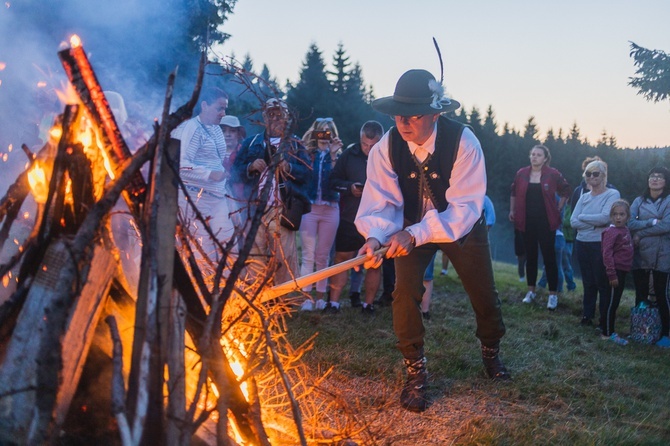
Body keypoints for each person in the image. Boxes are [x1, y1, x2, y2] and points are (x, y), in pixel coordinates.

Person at [355, 69, 510, 413]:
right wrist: (376, 236)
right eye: (398, 114)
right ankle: (416, 373)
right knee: (404, 291)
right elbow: (380, 199)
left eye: (413, 115)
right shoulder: (386, 146)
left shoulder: (464, 142)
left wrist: (417, 233)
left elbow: (465, 207)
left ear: (436, 115)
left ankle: (491, 351)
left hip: (462, 226)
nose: (403, 122)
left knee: (483, 294)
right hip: (410, 227)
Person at [231, 98, 311, 286]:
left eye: (279, 114)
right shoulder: (252, 143)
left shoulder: (296, 144)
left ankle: (282, 302)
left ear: (286, 117)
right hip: (255, 208)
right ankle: (258, 301)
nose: (275, 118)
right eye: (271, 114)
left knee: (284, 258)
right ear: (264, 117)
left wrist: (289, 167)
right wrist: (250, 167)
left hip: (283, 209)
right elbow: (235, 172)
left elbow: (308, 174)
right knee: (255, 257)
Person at [172, 87, 234, 261]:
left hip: (217, 196)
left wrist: (221, 173)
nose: (223, 113)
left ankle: (228, 286)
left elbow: (217, 160)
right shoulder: (191, 128)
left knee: (229, 244)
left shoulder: (216, 130)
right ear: (205, 105)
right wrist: (209, 174)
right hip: (194, 198)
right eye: (219, 108)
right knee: (202, 249)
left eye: (225, 109)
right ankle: (202, 287)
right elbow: (181, 165)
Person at [329, 121, 384, 314]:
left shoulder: (388, 157)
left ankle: (368, 305)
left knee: (374, 261)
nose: (368, 149)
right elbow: (333, 181)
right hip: (350, 216)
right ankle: (334, 303)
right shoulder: (350, 155)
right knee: (342, 259)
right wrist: (350, 187)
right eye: (364, 144)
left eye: (373, 145)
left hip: (376, 221)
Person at [509, 145, 571, 310]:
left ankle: (553, 296)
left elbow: (566, 190)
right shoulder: (522, 174)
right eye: (533, 154)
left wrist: (559, 208)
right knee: (530, 257)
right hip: (526, 221)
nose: (535, 157)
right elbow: (513, 192)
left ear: (545, 158)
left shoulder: (552, 174)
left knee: (549, 258)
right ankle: (531, 292)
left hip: (546, 222)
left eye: (538, 155)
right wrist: (512, 210)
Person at [297, 118, 343, 311]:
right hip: (310, 208)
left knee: (323, 255)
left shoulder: (339, 156)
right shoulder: (307, 154)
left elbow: (336, 181)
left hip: (330, 208)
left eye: (328, 132)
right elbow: (303, 176)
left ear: (333, 135)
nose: (324, 136)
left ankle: (321, 297)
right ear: (315, 133)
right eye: (321, 132)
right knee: (308, 254)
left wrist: (332, 156)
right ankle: (306, 297)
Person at [570, 160, 620, 327]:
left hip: (600, 244)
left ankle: (603, 319)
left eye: (596, 173)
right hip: (582, 243)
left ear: (603, 175)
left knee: (602, 282)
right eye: (588, 174)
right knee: (588, 281)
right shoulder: (583, 197)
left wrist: (583, 218)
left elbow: (606, 217)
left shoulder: (612, 194)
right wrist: (593, 223)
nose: (592, 177)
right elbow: (572, 221)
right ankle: (587, 315)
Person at [628, 167, 670, 348]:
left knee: (662, 294)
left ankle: (665, 333)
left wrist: (640, 234)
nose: (655, 179)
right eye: (652, 176)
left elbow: (667, 226)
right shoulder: (639, 200)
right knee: (641, 293)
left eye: (659, 177)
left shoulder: (668, 200)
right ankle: (640, 330)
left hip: (663, 252)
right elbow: (629, 222)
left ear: (666, 181)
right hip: (641, 253)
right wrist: (651, 222)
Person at [600, 200, 634, 345]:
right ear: (611, 216)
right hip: (614, 272)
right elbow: (606, 253)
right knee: (611, 303)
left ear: (628, 216)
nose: (618, 217)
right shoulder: (611, 232)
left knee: (615, 302)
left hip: (623, 271)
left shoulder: (625, 230)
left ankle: (609, 329)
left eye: (622, 214)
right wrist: (612, 274)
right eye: (615, 214)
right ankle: (607, 334)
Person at [442, 194, 495, 275]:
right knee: (448, 249)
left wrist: (482, 233)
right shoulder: (462, 197)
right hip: (461, 230)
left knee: (474, 255)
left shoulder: (485, 200)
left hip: (477, 233)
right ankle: (444, 270)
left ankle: (470, 274)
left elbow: (490, 219)